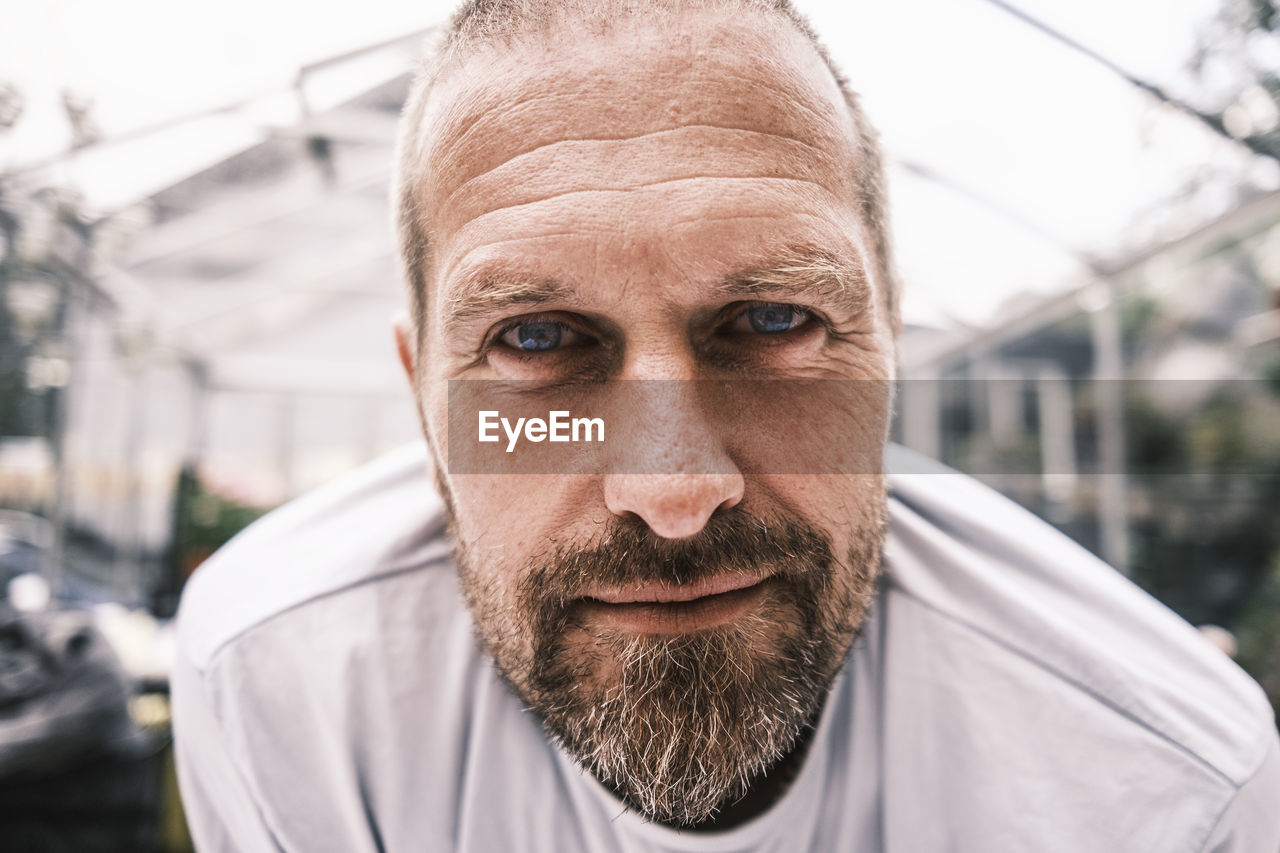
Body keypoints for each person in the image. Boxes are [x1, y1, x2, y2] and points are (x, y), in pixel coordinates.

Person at [170, 1, 1280, 850]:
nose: (673, 489)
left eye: (772, 320)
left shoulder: (1162, 784)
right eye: (538, 342)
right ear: (424, 402)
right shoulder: (282, 676)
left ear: (885, 349)